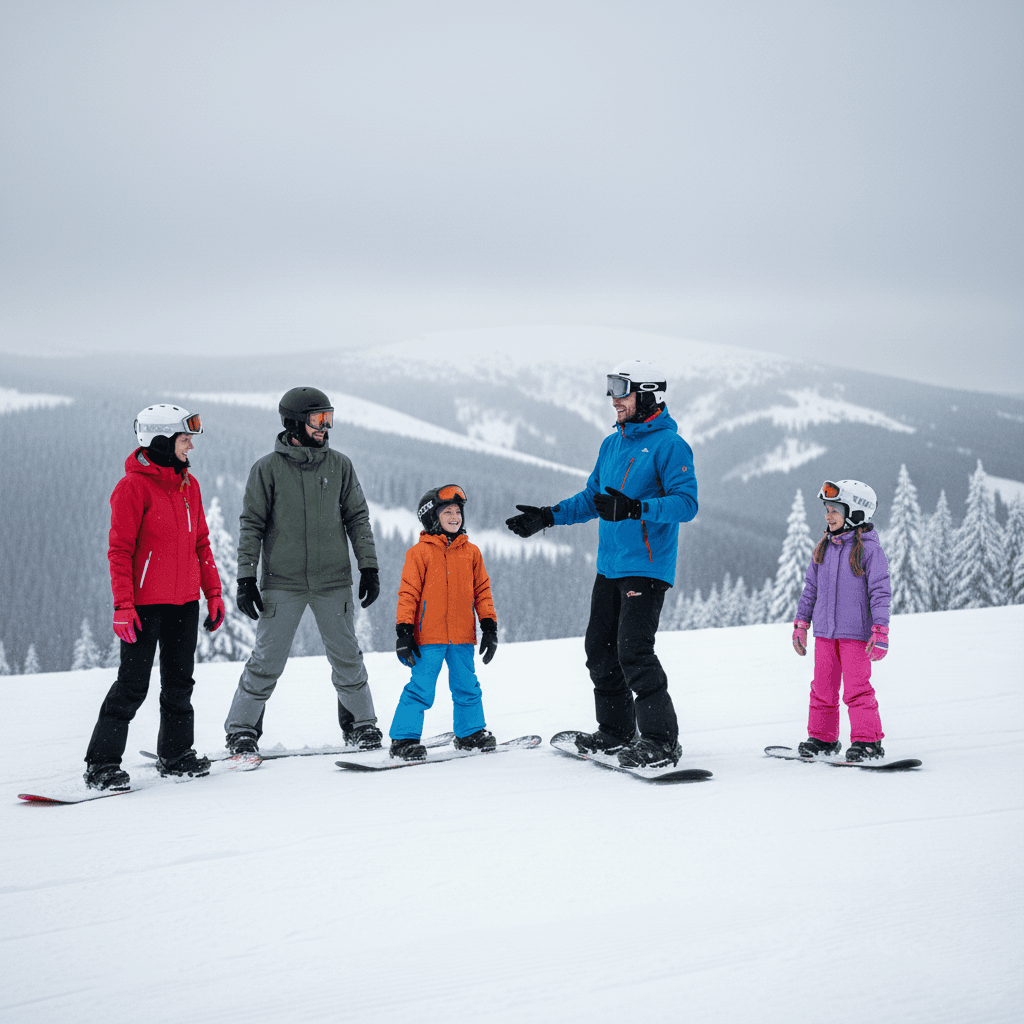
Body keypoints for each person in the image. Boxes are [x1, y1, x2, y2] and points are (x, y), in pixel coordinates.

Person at [505, 359, 698, 768]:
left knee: (634, 652)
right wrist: (548, 516)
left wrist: (635, 508)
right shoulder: (612, 444)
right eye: (612, 391)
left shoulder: (670, 445)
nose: (614, 401)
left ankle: (662, 742)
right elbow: (592, 499)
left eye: (622, 392)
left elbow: (686, 503)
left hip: (646, 567)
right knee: (600, 651)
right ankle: (615, 732)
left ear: (648, 395)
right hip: (610, 566)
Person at [223, 387, 383, 754]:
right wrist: (246, 577)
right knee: (266, 661)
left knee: (347, 659)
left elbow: (358, 519)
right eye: (318, 419)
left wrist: (369, 567)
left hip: (333, 582)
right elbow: (252, 525)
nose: (325, 427)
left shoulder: (340, 465)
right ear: (294, 423)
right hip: (283, 583)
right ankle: (241, 731)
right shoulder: (267, 469)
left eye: (329, 418)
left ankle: (362, 726)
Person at [84, 405, 225, 790]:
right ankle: (101, 764)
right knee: (132, 686)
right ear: (161, 441)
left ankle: (176, 754)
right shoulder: (132, 488)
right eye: (184, 439)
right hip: (144, 606)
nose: (190, 446)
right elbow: (120, 551)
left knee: (180, 684)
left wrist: (213, 593)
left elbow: (201, 543)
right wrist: (123, 605)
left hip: (185, 603)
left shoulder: (189, 486)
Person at [389, 485, 499, 760]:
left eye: (458, 512)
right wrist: (404, 632)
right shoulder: (419, 553)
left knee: (467, 686)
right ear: (431, 517)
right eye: (447, 511)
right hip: (429, 637)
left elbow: (482, 591)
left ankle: (470, 733)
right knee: (421, 689)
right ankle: (404, 739)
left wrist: (489, 626)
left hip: (462, 636)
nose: (455, 517)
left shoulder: (471, 552)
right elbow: (408, 594)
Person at [792, 479, 891, 762]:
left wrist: (880, 630)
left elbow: (880, 592)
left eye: (835, 510)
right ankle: (823, 739)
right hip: (825, 633)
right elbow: (810, 590)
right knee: (822, 689)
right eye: (827, 510)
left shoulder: (870, 551)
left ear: (856, 513)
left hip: (856, 635)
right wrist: (801, 624)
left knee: (857, 690)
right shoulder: (823, 547)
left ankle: (868, 742)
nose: (828, 516)